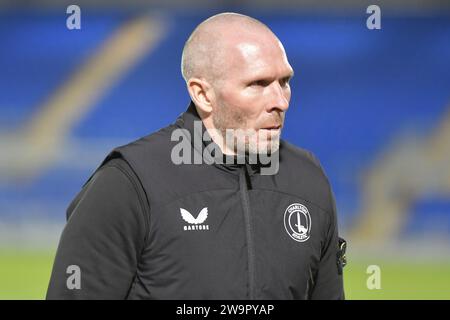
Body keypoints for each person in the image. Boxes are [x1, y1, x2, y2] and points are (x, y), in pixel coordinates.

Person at [46, 12, 346, 300]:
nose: (280, 101)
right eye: (258, 84)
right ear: (203, 94)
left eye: (285, 82)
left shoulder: (308, 180)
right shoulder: (130, 182)